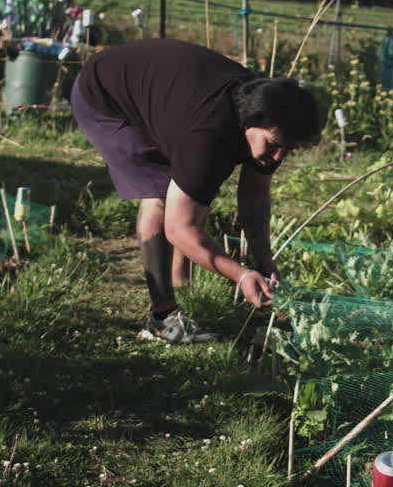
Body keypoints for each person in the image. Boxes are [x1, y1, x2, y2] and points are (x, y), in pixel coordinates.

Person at [71, 38, 322, 344]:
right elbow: (178, 229)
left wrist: (263, 258)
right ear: (249, 124)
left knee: (192, 195)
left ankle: (183, 289)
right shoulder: (207, 138)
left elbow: (254, 196)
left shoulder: (268, 119)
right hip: (106, 94)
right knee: (162, 198)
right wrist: (241, 275)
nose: (278, 157)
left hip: (166, 91)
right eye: (274, 145)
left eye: (289, 150)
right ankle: (163, 319)